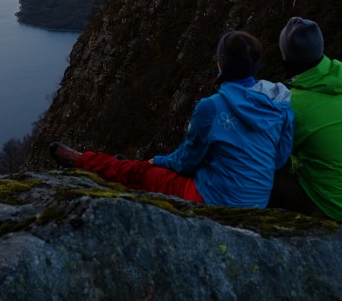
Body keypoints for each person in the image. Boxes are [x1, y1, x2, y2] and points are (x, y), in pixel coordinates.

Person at [50, 31, 294, 208]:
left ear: (221, 64)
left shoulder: (212, 107)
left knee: (140, 171)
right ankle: (117, 165)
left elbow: (186, 162)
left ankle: (83, 161)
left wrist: (157, 160)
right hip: (257, 202)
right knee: (143, 168)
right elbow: (279, 158)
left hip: (212, 199)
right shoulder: (280, 104)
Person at [268, 17, 342, 221]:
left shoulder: (296, 104)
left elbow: (274, 154)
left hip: (329, 203)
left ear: (286, 57)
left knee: (256, 171)